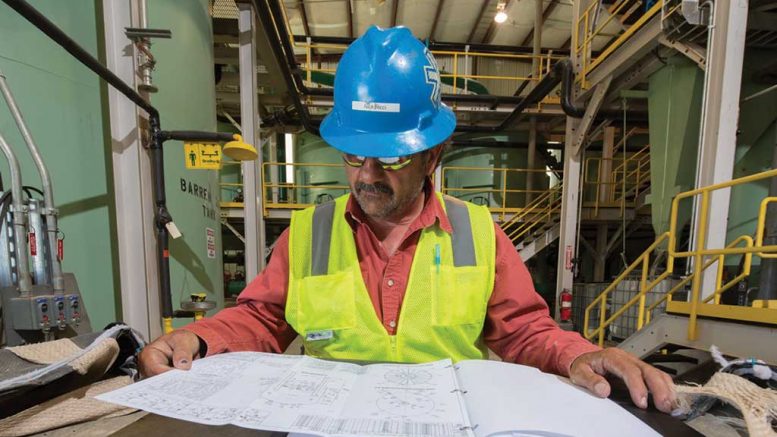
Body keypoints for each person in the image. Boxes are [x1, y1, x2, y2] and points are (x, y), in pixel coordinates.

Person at [139, 26, 675, 413]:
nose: (368, 175)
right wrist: (199, 338)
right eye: (354, 156)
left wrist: (581, 354)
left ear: (432, 155)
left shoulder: (478, 233)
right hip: (328, 424)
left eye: (391, 158)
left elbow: (523, 330)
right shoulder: (307, 233)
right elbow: (261, 320)